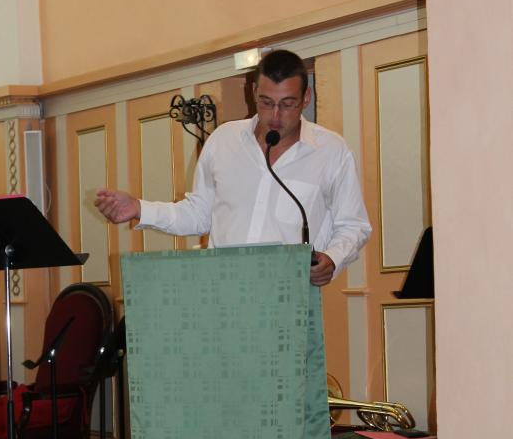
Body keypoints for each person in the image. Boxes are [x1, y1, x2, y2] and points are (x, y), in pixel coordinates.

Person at [95, 49, 371, 285]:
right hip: (222, 293)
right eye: (266, 103)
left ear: (306, 98)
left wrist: (333, 258)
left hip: (291, 295)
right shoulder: (224, 140)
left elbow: (353, 225)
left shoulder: (331, 151)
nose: (275, 116)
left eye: (287, 104)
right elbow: (198, 214)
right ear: (254, 92)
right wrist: (139, 208)